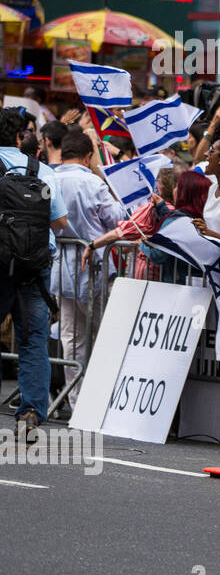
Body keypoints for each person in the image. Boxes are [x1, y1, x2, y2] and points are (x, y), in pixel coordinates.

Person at [0, 107, 68, 438]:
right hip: (33, 267)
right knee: (33, 339)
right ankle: (30, 413)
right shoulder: (42, 171)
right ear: (18, 137)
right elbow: (60, 222)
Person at [51, 130, 128, 410]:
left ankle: (77, 402)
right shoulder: (94, 183)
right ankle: (105, 402)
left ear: (62, 153)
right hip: (94, 268)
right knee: (107, 334)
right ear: (87, 156)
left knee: (72, 340)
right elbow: (117, 220)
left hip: (63, 270)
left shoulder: (50, 179)